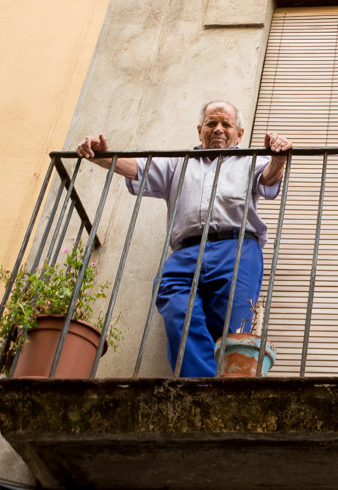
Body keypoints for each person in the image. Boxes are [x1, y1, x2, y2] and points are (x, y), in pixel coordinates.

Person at [77, 100, 292, 377]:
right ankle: (207, 385)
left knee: (231, 326)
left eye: (226, 124)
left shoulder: (250, 160)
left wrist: (278, 158)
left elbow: (268, 179)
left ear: (239, 134)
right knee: (176, 307)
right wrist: (100, 156)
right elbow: (136, 169)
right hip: (185, 252)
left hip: (238, 250)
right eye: (212, 123)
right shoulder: (179, 162)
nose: (218, 129)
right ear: (199, 129)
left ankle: (220, 386)